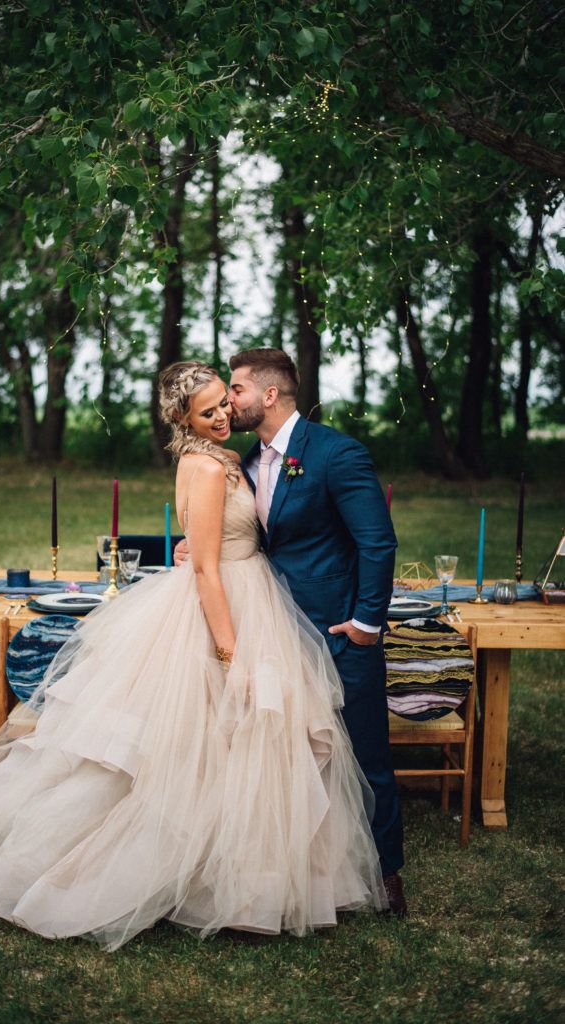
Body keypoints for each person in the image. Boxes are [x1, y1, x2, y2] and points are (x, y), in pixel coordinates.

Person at [0, 361, 387, 951]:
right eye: (209, 409)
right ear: (184, 420)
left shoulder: (235, 458)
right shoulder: (206, 464)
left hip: (258, 596)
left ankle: (241, 869)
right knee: (211, 741)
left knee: (236, 747)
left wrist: (203, 539)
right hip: (225, 607)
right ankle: (184, 872)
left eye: (226, 402)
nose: (224, 412)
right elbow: (206, 566)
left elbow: (238, 534)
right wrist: (231, 652)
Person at [175, 349, 405, 916]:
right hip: (275, 628)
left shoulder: (336, 453)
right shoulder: (247, 461)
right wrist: (194, 548)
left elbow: (378, 543)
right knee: (295, 756)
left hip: (338, 629)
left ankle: (387, 876)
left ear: (269, 396)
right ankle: (315, 870)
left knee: (365, 751)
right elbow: (247, 535)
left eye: (236, 389)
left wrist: (366, 624)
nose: (228, 400)